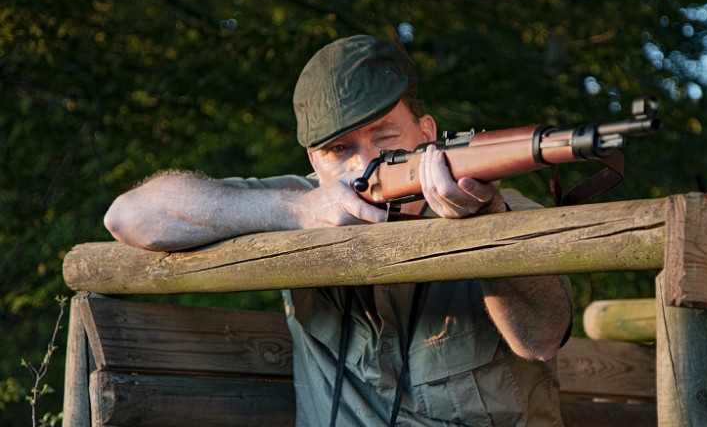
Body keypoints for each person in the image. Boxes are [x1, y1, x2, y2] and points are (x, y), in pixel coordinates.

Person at [104, 35, 573, 426]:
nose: (365, 162)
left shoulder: (501, 210)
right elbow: (129, 216)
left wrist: (485, 223)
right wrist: (297, 210)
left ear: (427, 133)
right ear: (314, 162)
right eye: (339, 148)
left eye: (384, 135)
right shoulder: (305, 200)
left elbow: (541, 339)